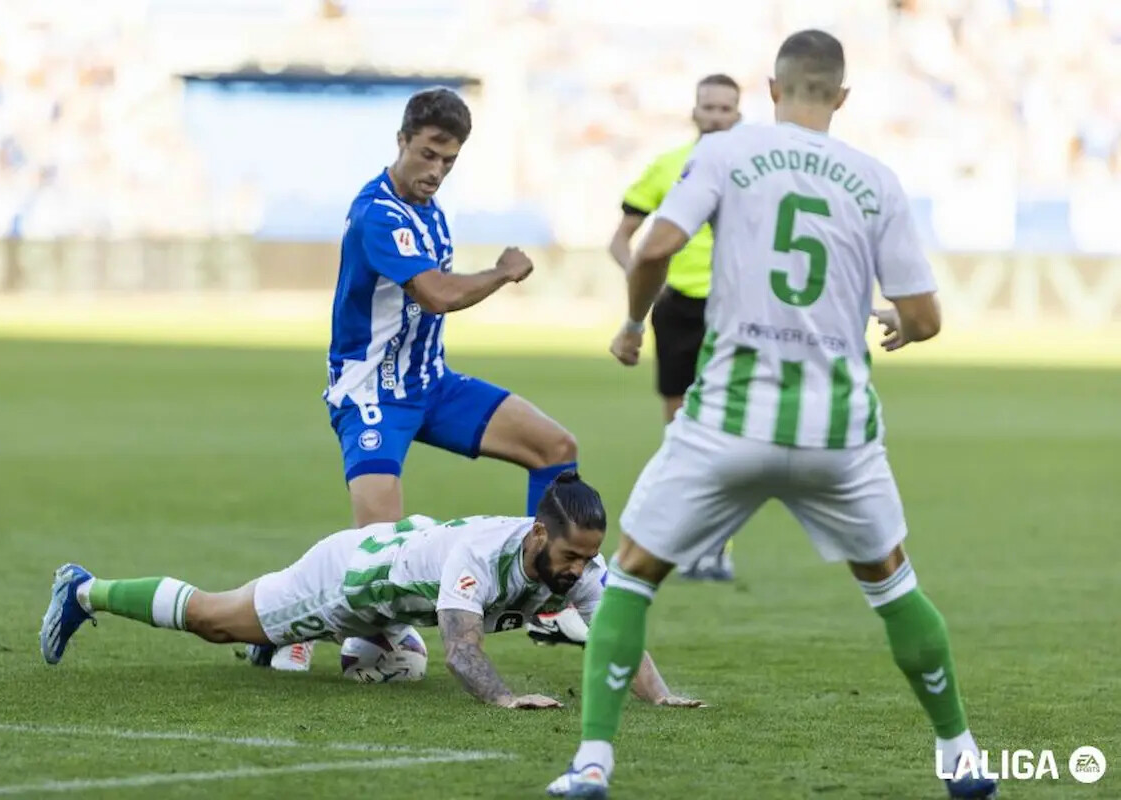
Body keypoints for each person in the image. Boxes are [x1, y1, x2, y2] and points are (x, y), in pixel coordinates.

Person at [548, 30, 995, 800]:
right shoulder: (877, 179)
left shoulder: (729, 151)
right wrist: (897, 322)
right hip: (838, 436)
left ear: (773, 89)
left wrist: (632, 321)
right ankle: (960, 754)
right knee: (892, 586)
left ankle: (592, 761)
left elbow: (654, 245)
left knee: (630, 579)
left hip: (728, 421)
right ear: (842, 98)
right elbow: (925, 316)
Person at [271, 87, 580, 672]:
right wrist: (503, 272)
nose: (436, 170)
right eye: (429, 154)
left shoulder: (431, 213)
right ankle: (285, 624)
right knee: (379, 553)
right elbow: (435, 295)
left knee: (556, 448)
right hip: (372, 395)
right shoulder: (376, 213)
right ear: (402, 141)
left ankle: (542, 601)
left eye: (450, 161)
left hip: (431, 385)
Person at [39, 472, 700, 709]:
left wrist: (662, 695)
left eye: (587, 558)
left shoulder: (578, 563)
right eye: (570, 556)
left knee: (398, 668)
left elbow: (618, 633)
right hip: (346, 581)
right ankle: (87, 590)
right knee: (215, 618)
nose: (579, 570)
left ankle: (281, 650)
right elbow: (463, 653)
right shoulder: (481, 555)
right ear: (536, 535)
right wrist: (504, 699)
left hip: (399, 594)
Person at [607, 74, 742, 582]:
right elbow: (622, 239)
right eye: (708, 106)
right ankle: (684, 542)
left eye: (725, 108)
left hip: (734, 308)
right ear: (694, 112)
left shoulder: (750, 169)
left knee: (729, 425)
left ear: (739, 115)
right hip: (678, 308)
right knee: (681, 429)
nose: (715, 115)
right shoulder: (668, 167)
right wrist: (642, 284)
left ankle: (716, 547)